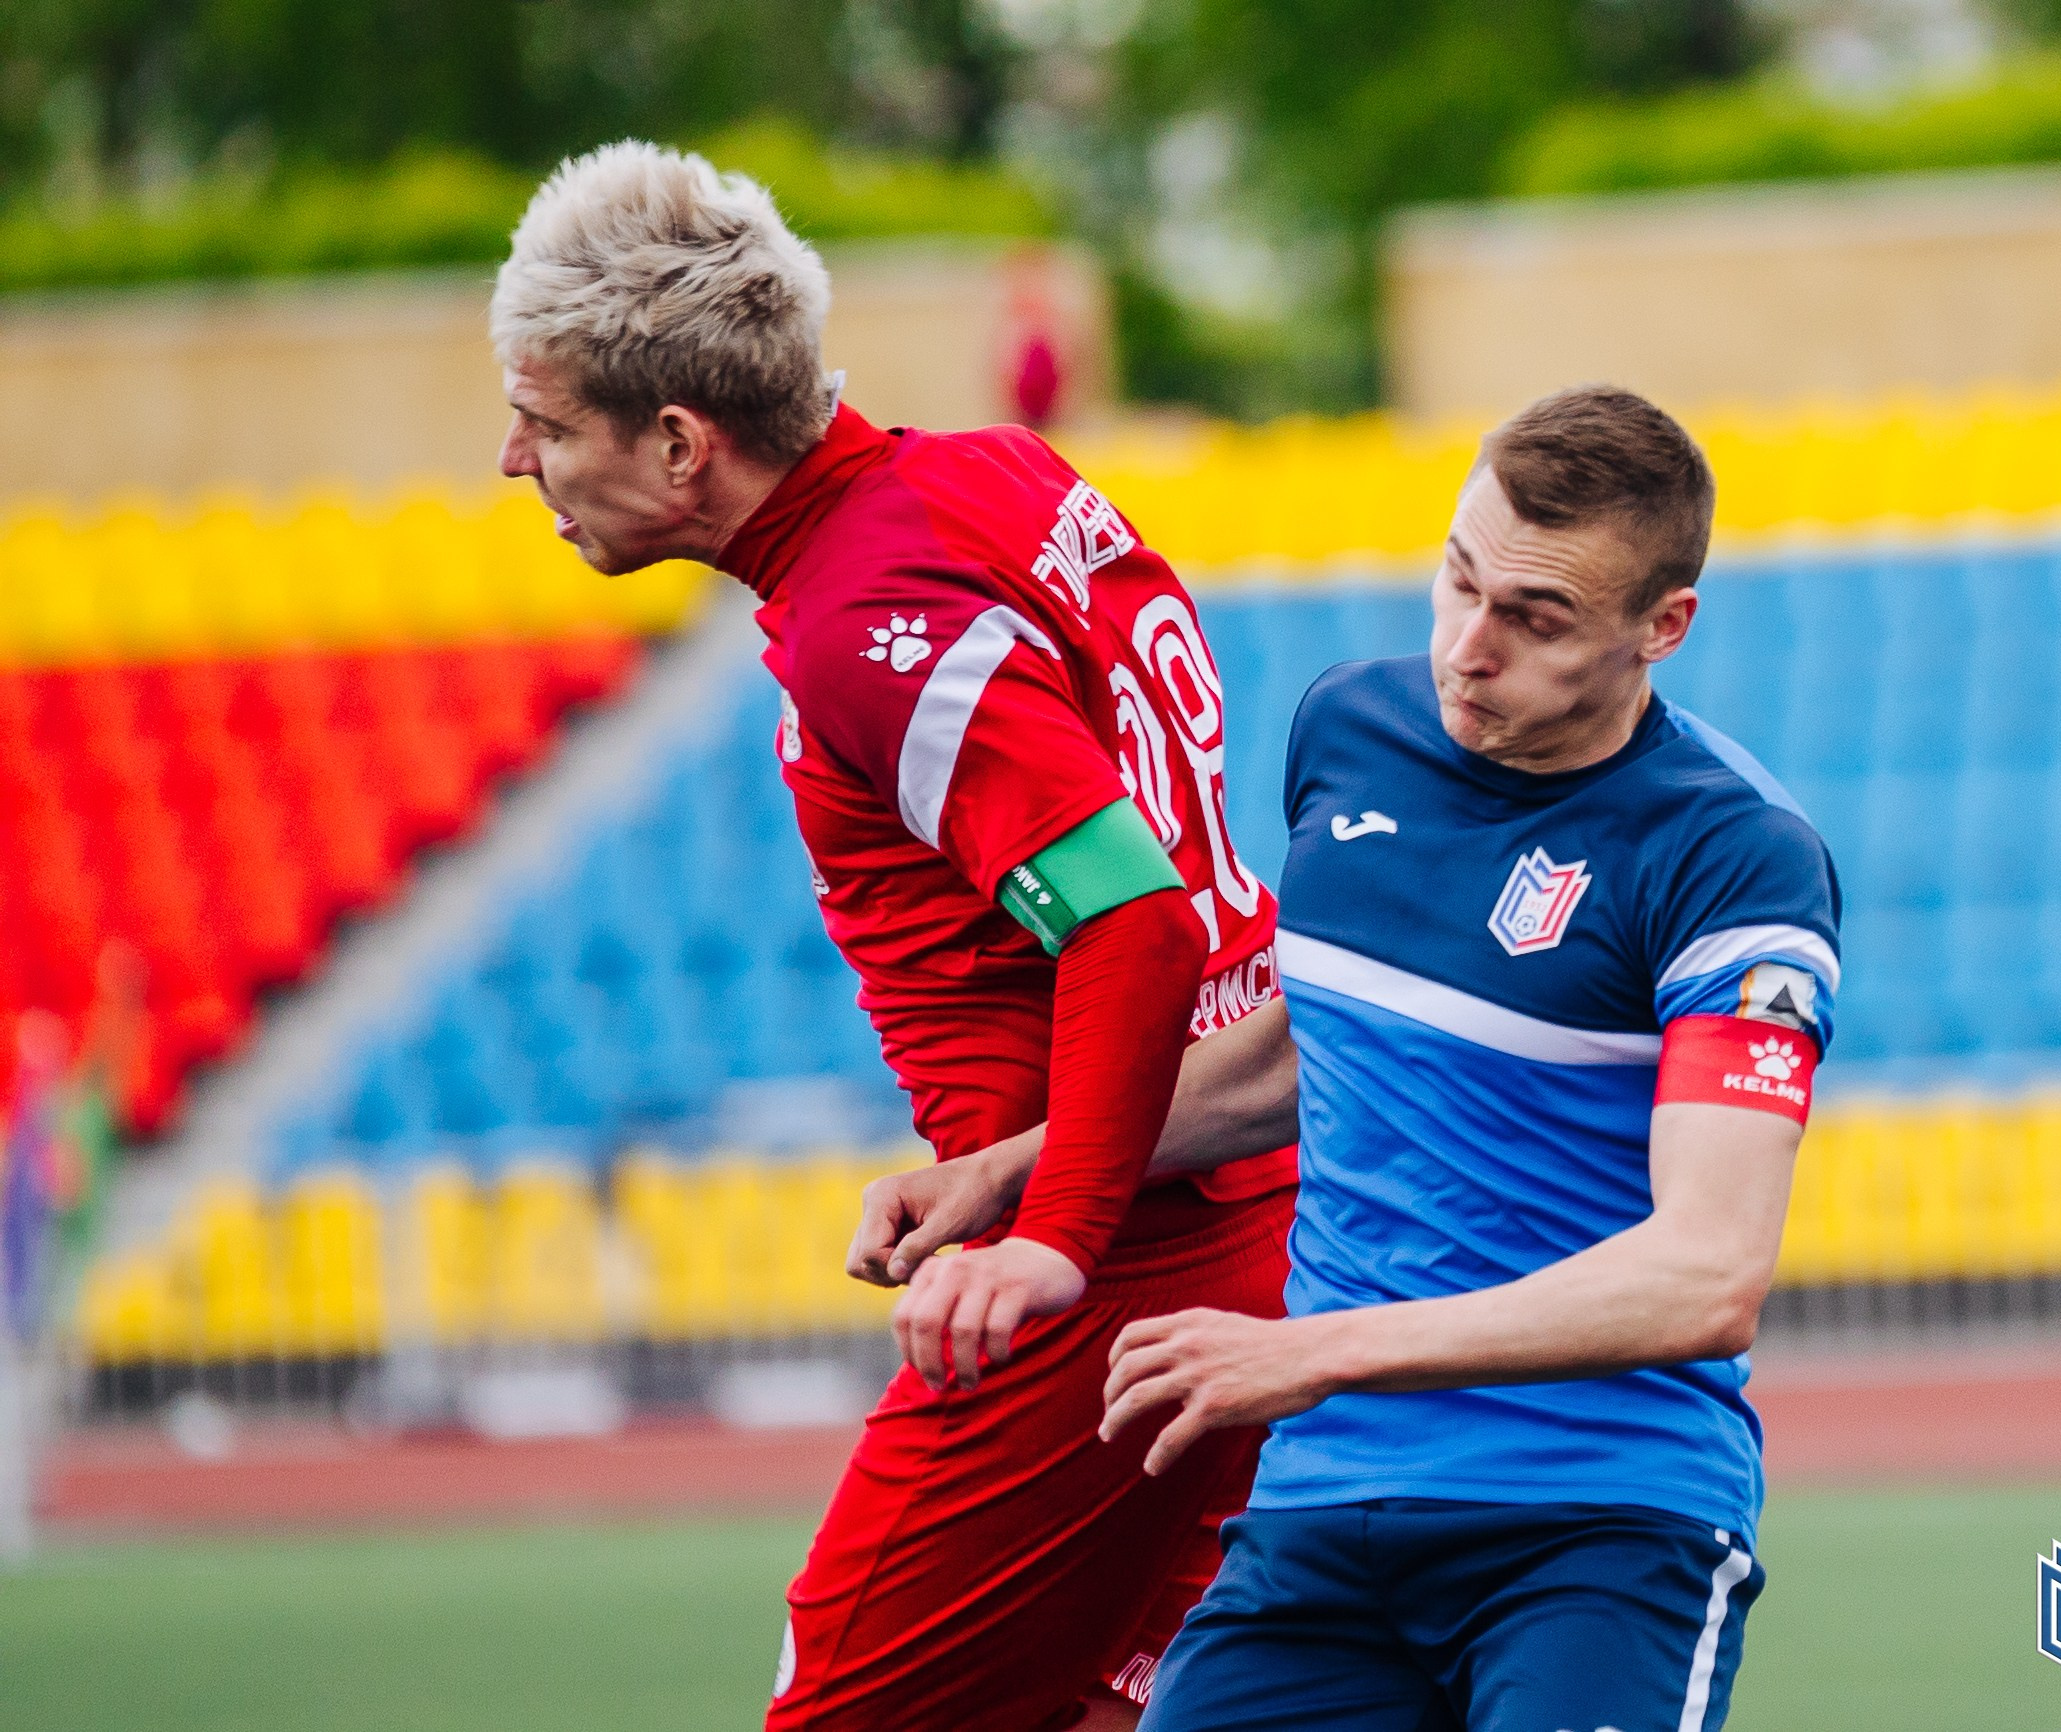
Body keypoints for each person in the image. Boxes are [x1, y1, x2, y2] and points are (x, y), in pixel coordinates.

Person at [489, 140, 1298, 1732]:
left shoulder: (869, 618)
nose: (514, 460)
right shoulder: (993, 472)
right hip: (1231, 1209)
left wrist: (1050, 1236)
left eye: (541, 418)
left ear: (676, 442)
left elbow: (1128, 921)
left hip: (1110, 1282)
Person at [897, 387, 1840, 1732]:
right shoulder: (1351, 730)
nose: (1469, 646)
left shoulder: (1733, 855)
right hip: (1325, 1511)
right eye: (1459, 580)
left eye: (1538, 617)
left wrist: (1314, 1353)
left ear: (1661, 629)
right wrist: (1009, 1174)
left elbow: (1708, 1275)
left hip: (1599, 1523)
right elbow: (1300, 1055)